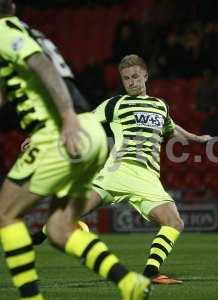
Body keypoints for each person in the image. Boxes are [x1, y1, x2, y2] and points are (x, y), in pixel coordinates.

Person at [0, 2, 150, 300]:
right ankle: (129, 283)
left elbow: (41, 65)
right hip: (91, 132)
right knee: (59, 228)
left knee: (6, 215)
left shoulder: (2, 31)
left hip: (63, 131)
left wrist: (65, 117)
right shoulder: (31, 31)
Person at [32, 54, 213, 285]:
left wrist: (196, 138)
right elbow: (82, 122)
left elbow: (171, 127)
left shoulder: (160, 106)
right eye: (126, 78)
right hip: (117, 171)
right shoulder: (115, 104)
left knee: (174, 222)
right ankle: (37, 236)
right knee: (68, 215)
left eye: (135, 76)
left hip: (147, 177)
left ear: (146, 75)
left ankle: (151, 272)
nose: (131, 81)